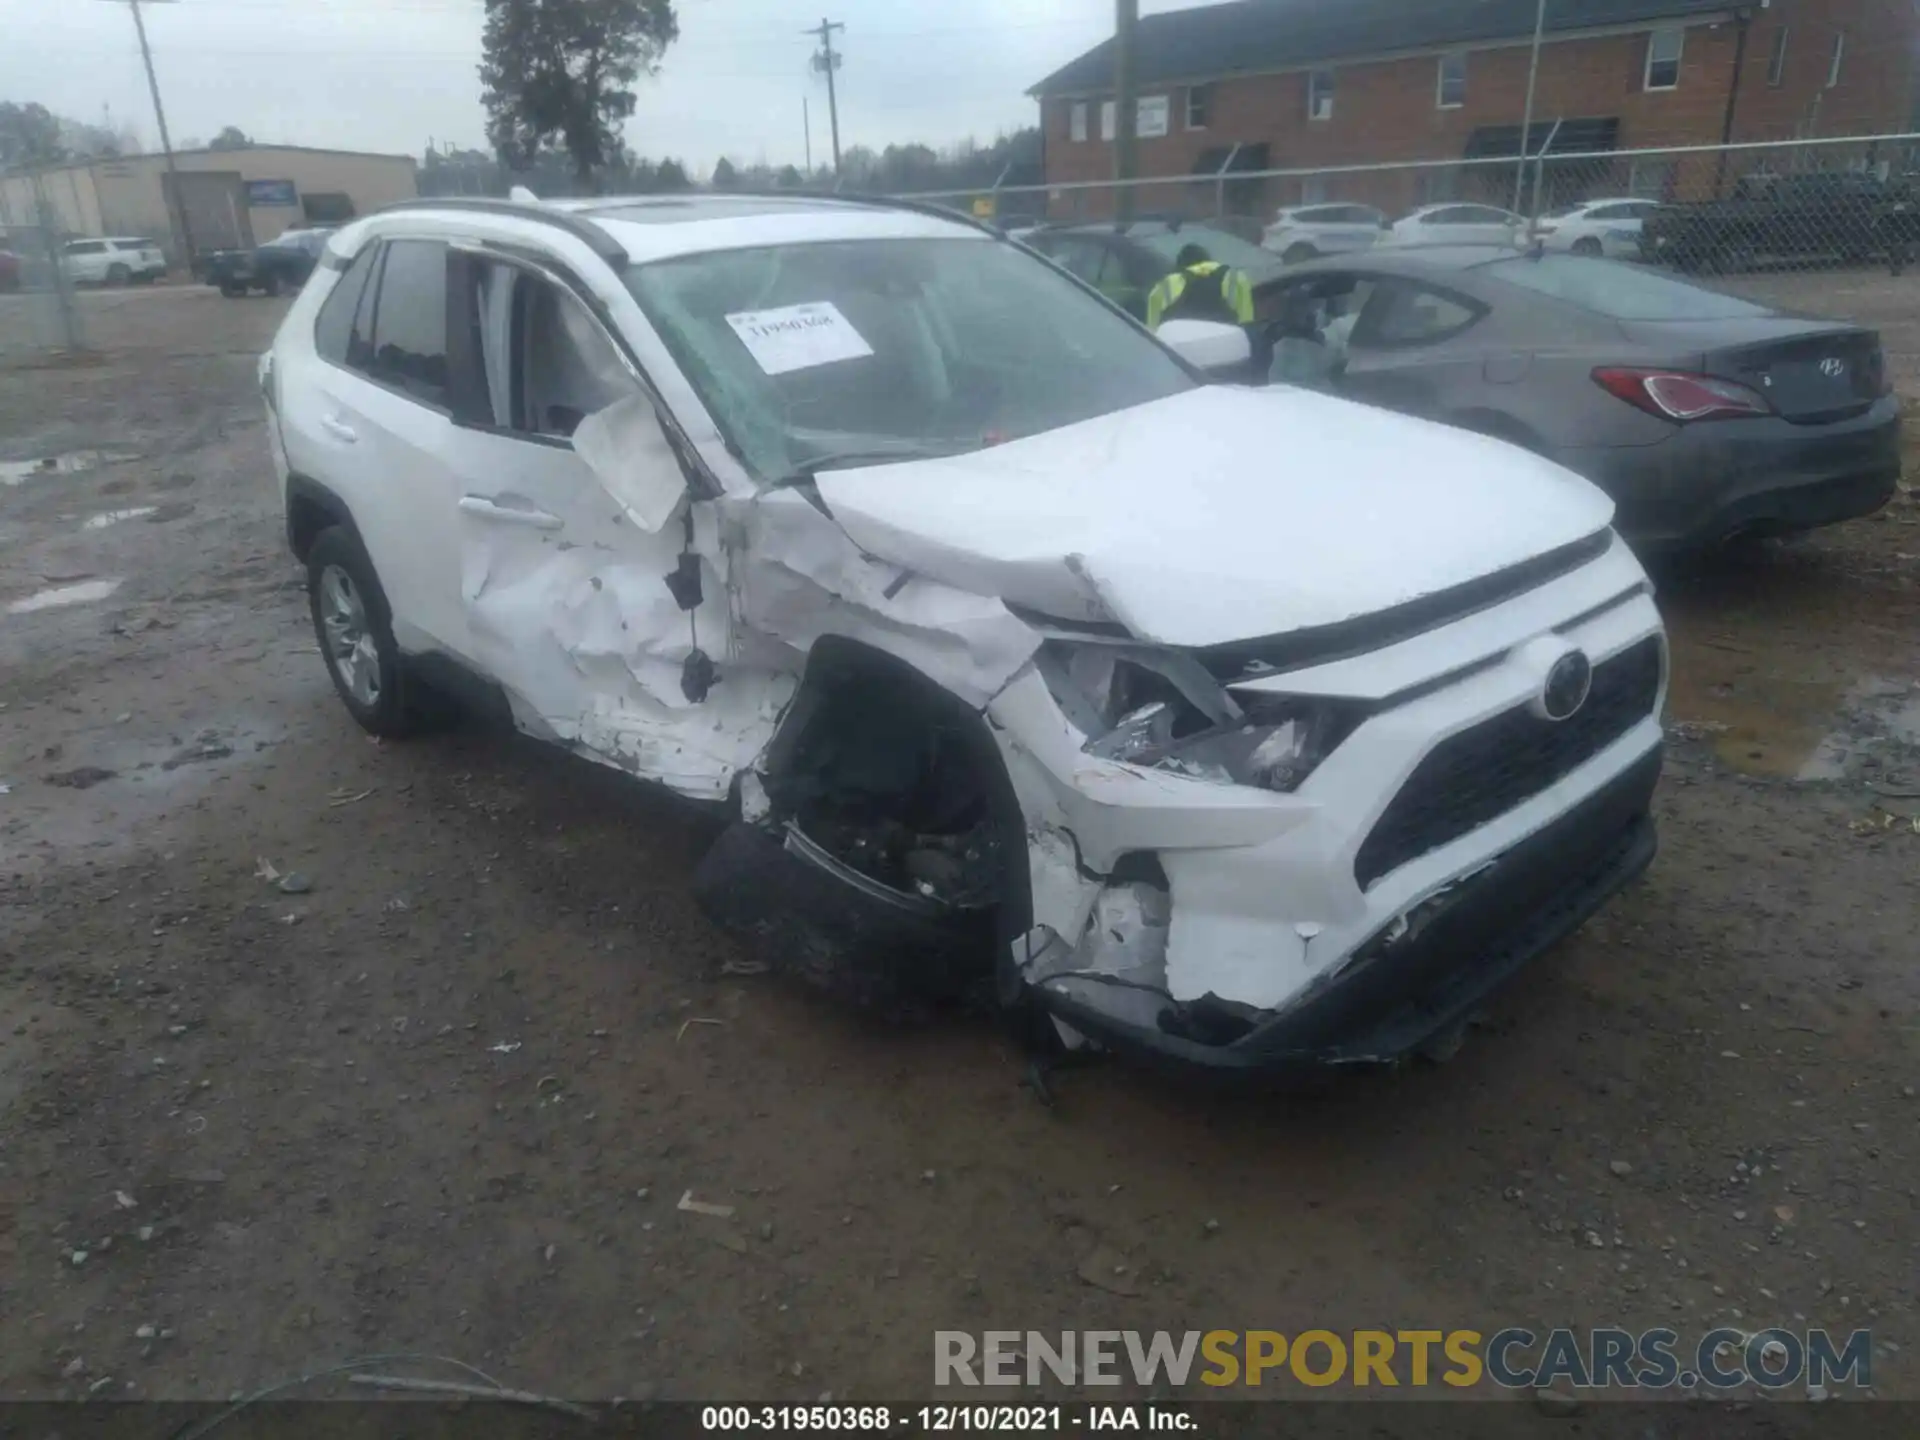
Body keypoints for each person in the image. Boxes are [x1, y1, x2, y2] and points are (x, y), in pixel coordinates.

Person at [1145, 241, 1255, 331]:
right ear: (1208, 259)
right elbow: (1247, 324)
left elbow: (1152, 335)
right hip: (1226, 349)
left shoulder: (1165, 284)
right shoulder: (1235, 277)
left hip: (1180, 353)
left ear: (1180, 266)